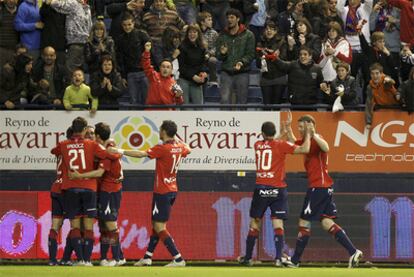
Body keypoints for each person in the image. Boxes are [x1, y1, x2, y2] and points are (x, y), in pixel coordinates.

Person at [283, 114, 363, 268]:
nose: (299, 129)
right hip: (324, 187)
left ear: (309, 125)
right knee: (327, 222)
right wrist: (287, 129)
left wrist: (312, 133)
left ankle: (295, 261)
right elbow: (295, 143)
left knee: (304, 222)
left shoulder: (316, 138)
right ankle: (353, 251)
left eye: (301, 127)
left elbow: (326, 147)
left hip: (318, 187)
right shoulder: (307, 141)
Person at [109, 120, 191, 267]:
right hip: (172, 190)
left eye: (160, 129)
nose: (158, 131)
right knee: (156, 225)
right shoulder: (179, 147)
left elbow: (141, 154)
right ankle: (147, 257)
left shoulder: (162, 148)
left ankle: (178, 258)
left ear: (164, 131)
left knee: (160, 227)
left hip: (162, 191)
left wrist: (119, 151)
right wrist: (177, 139)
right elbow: (188, 148)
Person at [238, 120, 311, 266]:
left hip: (261, 189)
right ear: (273, 133)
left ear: (262, 133)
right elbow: (304, 149)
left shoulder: (257, 145)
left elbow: (270, 143)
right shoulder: (281, 145)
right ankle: (278, 258)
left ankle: (247, 258)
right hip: (278, 189)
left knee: (255, 222)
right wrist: (308, 133)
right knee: (277, 223)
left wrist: (283, 133)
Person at [51, 117, 120, 266]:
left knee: (75, 226)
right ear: (83, 130)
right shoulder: (92, 145)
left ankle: (81, 259)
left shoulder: (64, 144)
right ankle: (89, 260)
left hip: (70, 188)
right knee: (91, 226)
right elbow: (110, 155)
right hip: (90, 188)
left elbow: (54, 151)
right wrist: (117, 151)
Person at [69, 122, 125, 267]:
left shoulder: (107, 148)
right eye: (88, 134)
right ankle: (103, 257)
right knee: (103, 226)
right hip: (98, 190)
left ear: (97, 136)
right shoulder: (92, 149)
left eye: (92, 134)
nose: (90, 136)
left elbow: (104, 169)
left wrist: (79, 176)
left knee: (109, 223)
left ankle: (118, 256)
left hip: (108, 190)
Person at [215, 8, 255, 104]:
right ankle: (225, 119)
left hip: (242, 72)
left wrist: (241, 62)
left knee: (242, 101)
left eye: (232, 17)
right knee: (224, 100)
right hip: (226, 72)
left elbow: (250, 54)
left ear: (238, 19)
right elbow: (218, 56)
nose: (229, 20)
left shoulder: (248, 35)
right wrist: (223, 54)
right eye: (228, 18)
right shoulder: (222, 35)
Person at [337, 0, 373, 101]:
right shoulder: (344, 10)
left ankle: (367, 102)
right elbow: (338, 7)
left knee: (368, 78)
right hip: (350, 50)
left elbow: (369, 1)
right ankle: (349, 102)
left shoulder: (365, 9)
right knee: (349, 79)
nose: (352, 1)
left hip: (364, 49)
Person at [49, 0, 92, 80]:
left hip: (75, 43)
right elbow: (90, 27)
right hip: (85, 43)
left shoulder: (74, 4)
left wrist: (50, 1)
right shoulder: (87, 9)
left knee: (70, 73)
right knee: (80, 74)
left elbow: (57, 5)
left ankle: (70, 91)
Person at [48, 126, 73, 266]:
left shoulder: (61, 147)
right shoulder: (73, 149)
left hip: (56, 187)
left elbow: (53, 151)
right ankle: (66, 258)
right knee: (76, 225)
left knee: (55, 225)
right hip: (66, 189)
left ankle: (52, 260)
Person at [116, 12, 150, 105]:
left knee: (147, 100)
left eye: (129, 24)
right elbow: (120, 59)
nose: (127, 27)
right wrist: (123, 76)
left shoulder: (142, 35)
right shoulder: (120, 39)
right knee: (133, 102)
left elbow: (151, 54)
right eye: (124, 25)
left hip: (144, 72)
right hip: (130, 74)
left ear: (134, 23)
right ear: (121, 25)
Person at [142, 0, 185, 66]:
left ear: (165, 3)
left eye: (161, 1)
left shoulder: (173, 14)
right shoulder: (146, 16)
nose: (158, 3)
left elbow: (183, 27)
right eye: (156, 1)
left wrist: (179, 39)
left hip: (171, 44)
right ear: (153, 2)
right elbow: (143, 33)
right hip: (154, 45)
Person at [142, 42, 184, 108]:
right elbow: (146, 66)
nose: (165, 69)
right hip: (152, 110)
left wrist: (178, 96)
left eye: (168, 67)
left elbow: (180, 102)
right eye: (163, 67)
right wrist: (147, 52)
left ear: (171, 70)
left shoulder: (174, 83)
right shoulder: (153, 76)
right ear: (160, 68)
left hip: (167, 113)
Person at [255, 21, 288, 105]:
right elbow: (258, 65)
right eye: (267, 29)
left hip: (279, 77)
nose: (269, 31)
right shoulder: (260, 44)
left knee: (277, 105)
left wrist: (273, 56)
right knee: (266, 105)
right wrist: (262, 57)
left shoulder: (282, 43)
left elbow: (284, 59)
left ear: (276, 31)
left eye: (271, 29)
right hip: (266, 78)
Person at [177, 24, 208, 105]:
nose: (192, 34)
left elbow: (203, 63)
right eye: (190, 32)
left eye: (194, 32)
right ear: (187, 34)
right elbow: (182, 67)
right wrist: (193, 76)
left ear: (198, 34)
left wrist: (203, 73)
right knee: (184, 106)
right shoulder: (182, 47)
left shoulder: (202, 47)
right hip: (184, 79)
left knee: (199, 106)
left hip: (197, 80)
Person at [365, 63, 400, 130]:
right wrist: (368, 122)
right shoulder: (369, 87)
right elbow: (369, 104)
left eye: (377, 73)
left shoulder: (386, 81)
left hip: (396, 111)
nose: (375, 76)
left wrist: (389, 80)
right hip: (382, 112)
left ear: (381, 74)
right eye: (372, 73)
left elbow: (391, 82)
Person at [39, 0, 66, 66]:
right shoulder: (46, 5)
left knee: (60, 69)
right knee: (44, 68)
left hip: (60, 46)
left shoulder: (64, 6)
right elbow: (42, 13)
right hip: (47, 44)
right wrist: (47, 3)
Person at [198, 11, 219, 86]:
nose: (211, 21)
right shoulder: (197, 32)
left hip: (209, 55)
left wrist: (209, 54)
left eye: (211, 19)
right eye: (209, 20)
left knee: (213, 60)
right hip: (198, 55)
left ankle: (213, 80)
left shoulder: (214, 33)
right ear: (202, 22)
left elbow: (216, 46)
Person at [0, 0, 19, 69]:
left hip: (14, 49)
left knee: (12, 73)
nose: (11, 1)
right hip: (1, 48)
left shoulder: (20, 12)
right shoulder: (1, 11)